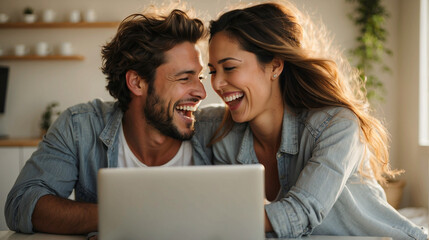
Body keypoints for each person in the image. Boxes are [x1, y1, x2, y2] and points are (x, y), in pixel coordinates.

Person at [191, 1, 428, 239]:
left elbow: (300, 213)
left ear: (275, 65)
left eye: (229, 67)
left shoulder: (336, 126)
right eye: (212, 71)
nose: (217, 84)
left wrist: (214, 218)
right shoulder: (212, 129)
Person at [5, 8, 206, 235]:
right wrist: (130, 215)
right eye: (184, 78)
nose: (202, 92)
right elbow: (21, 204)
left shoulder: (218, 129)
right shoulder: (80, 126)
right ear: (137, 82)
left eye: (200, 77)